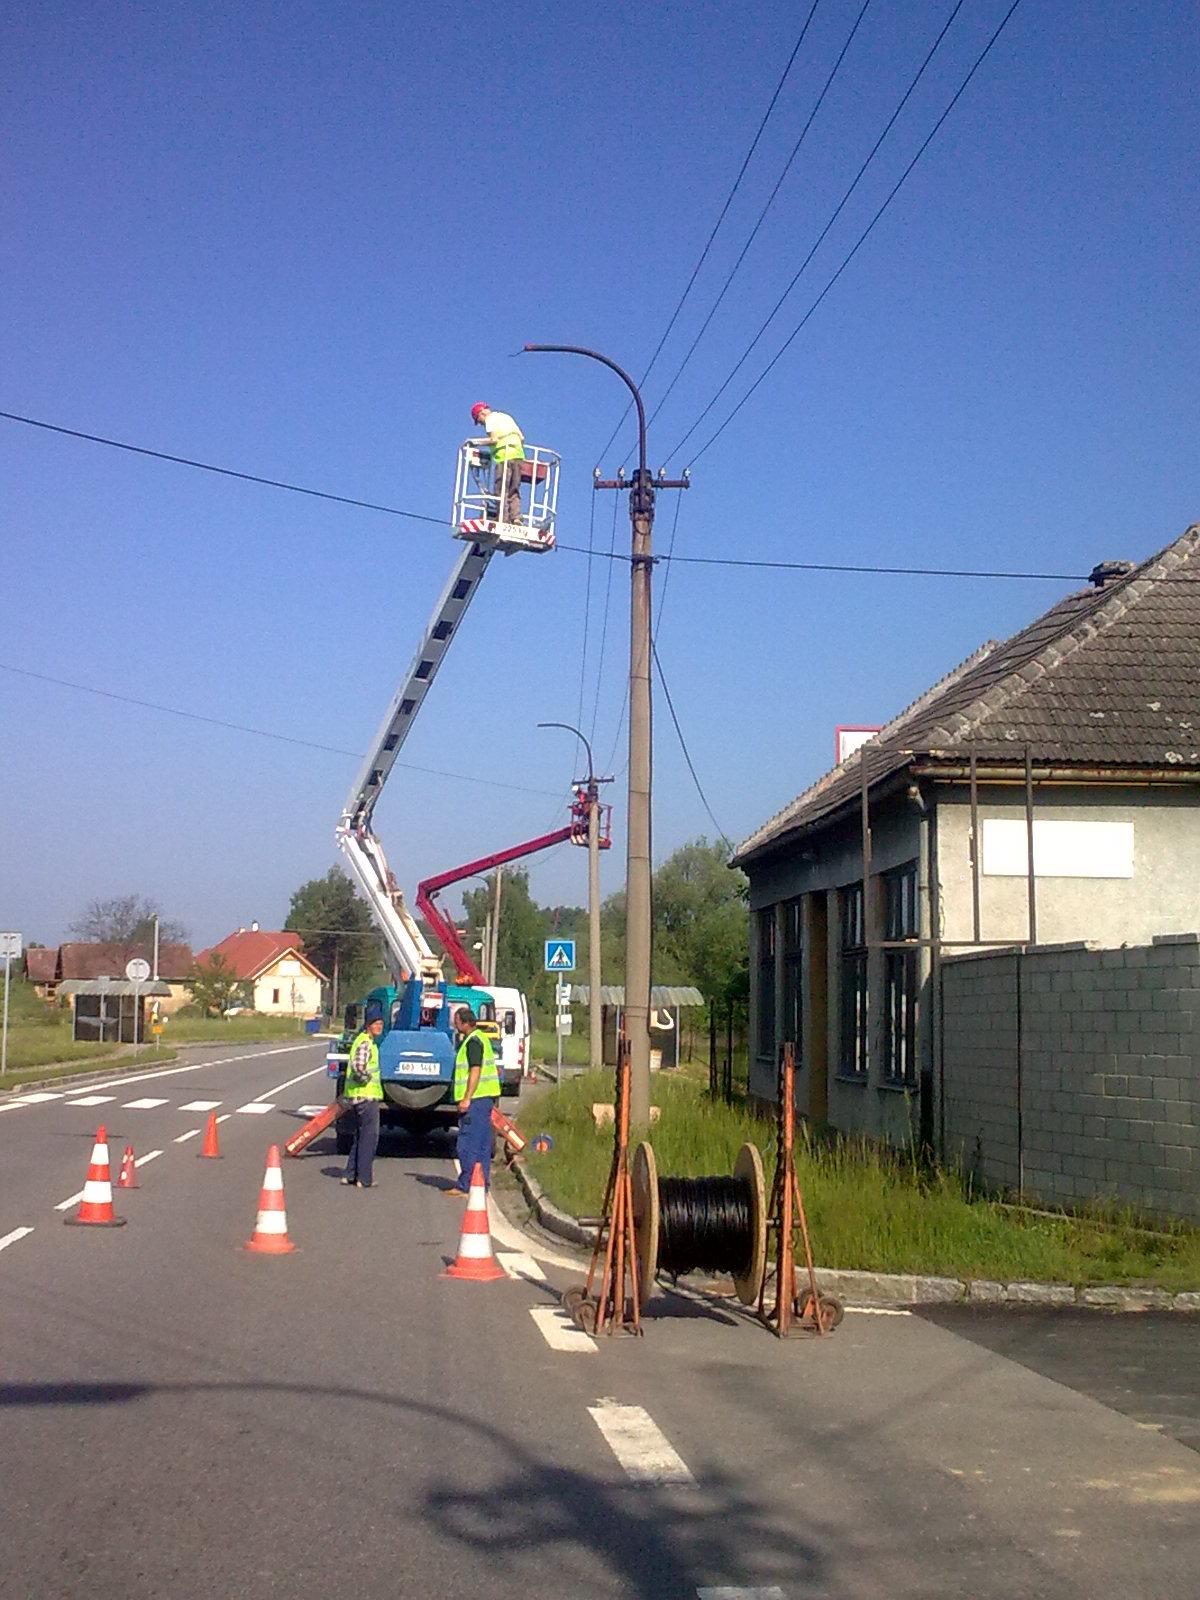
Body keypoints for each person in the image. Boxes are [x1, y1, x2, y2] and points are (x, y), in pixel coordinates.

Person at [445, 1004, 501, 1195]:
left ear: (464, 1023)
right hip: (484, 1099)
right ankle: (480, 1184)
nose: (455, 1024)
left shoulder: (473, 1042)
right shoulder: (481, 1039)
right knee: (482, 1145)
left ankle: (466, 1184)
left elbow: (475, 1070)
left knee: (468, 1144)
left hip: (475, 1100)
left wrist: (466, 1098)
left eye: (456, 1021)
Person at [340, 999, 384, 1188]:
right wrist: (366, 1078)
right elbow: (359, 1067)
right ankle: (364, 1178)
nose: (379, 1027)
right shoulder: (366, 1043)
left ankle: (349, 1174)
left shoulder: (366, 1042)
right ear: (368, 1026)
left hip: (359, 1097)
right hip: (366, 1097)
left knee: (359, 1137)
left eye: (381, 1023)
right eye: (376, 1024)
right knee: (369, 1139)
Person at [470, 402, 525, 526]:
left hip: (504, 457)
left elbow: (494, 439)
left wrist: (475, 442)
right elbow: (521, 438)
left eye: (479, 421)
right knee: (514, 489)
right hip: (518, 456)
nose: (481, 424)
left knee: (501, 490)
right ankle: (516, 517)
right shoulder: (506, 417)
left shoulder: (490, 419)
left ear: (481, 413)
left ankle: (502, 519)